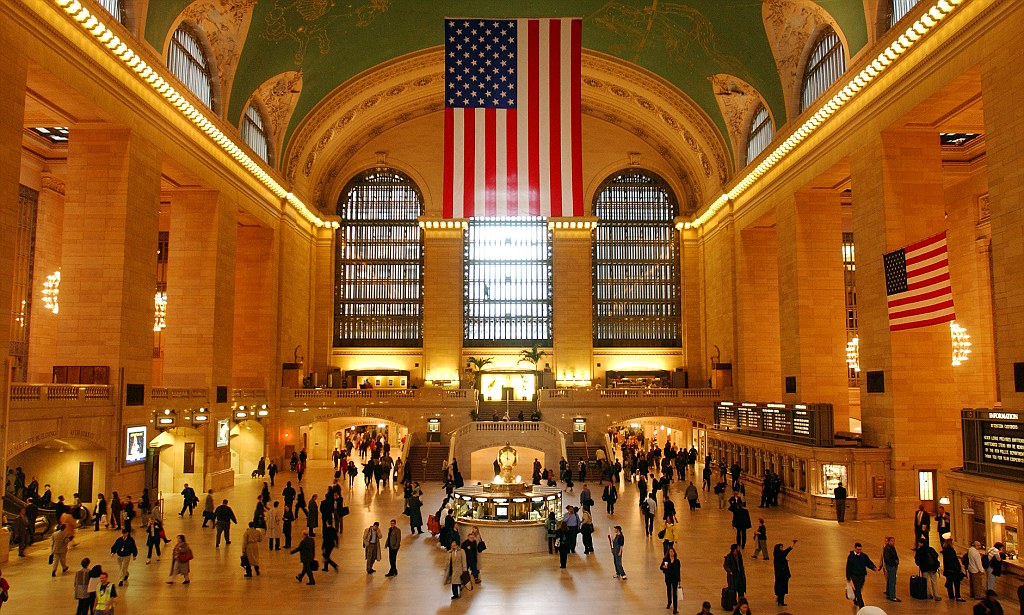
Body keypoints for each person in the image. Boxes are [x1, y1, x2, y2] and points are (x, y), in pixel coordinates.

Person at [846, 541, 878, 608]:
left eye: (860, 549)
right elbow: (848, 567)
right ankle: (861, 605)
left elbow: (868, 562)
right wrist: (848, 577)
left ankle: (854, 598)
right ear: (855, 548)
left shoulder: (864, 556)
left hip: (862, 575)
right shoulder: (851, 557)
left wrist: (873, 567)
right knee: (858, 590)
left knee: (859, 589)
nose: (859, 551)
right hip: (854, 575)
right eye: (857, 549)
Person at [942, 537, 967, 602]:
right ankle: (957, 596)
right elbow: (954, 560)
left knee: (950, 582)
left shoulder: (945, 550)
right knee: (956, 583)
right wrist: (958, 569)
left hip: (948, 570)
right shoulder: (951, 550)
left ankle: (951, 595)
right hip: (953, 570)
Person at [773, 540, 796, 606]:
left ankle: (780, 600)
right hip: (782, 576)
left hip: (782, 575)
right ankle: (780, 601)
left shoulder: (778, 555)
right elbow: (786, 552)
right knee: (782, 589)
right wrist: (792, 544)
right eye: (781, 548)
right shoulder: (779, 555)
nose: (782, 549)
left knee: (782, 589)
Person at [661, 546, 681, 614]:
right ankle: (669, 602)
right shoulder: (666, 560)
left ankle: (675, 608)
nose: (671, 553)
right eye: (670, 551)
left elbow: (678, 571)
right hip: (668, 578)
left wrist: (679, 580)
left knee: (674, 593)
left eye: (672, 551)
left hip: (675, 579)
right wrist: (664, 567)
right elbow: (661, 567)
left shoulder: (677, 561)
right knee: (669, 590)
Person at [882, 535, 901, 601]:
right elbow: (888, 559)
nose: (893, 542)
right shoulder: (888, 549)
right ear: (888, 542)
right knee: (892, 581)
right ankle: (892, 596)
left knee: (889, 580)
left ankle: (888, 593)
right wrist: (893, 564)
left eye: (894, 541)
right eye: (891, 541)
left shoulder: (891, 548)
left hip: (891, 566)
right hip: (891, 566)